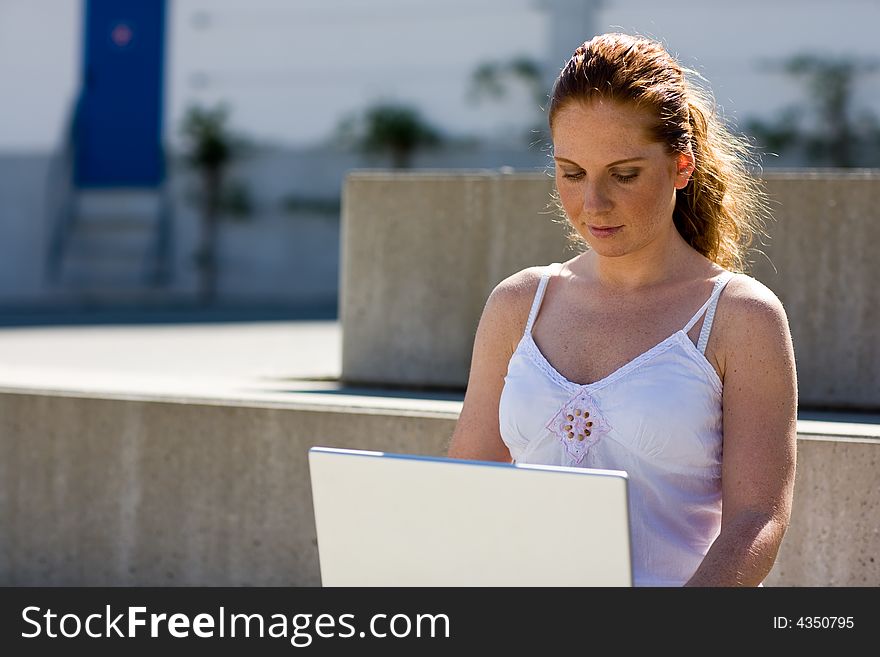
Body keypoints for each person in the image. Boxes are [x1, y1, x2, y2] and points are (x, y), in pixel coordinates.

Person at [446, 33, 798, 587]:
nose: (593, 203)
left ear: (681, 167)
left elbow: (757, 519)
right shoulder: (519, 303)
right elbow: (468, 485)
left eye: (624, 174)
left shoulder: (739, 316)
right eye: (572, 172)